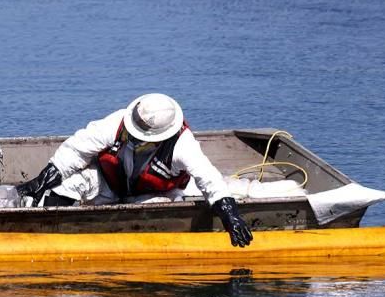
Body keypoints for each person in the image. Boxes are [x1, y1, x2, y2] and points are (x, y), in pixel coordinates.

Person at [16, 93, 253, 247]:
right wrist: (42, 180)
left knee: (158, 208)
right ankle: (46, 229)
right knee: (69, 182)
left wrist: (231, 217)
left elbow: (209, 178)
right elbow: (77, 149)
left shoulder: (183, 145)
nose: (133, 135)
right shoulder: (119, 122)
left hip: (151, 196)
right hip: (112, 184)